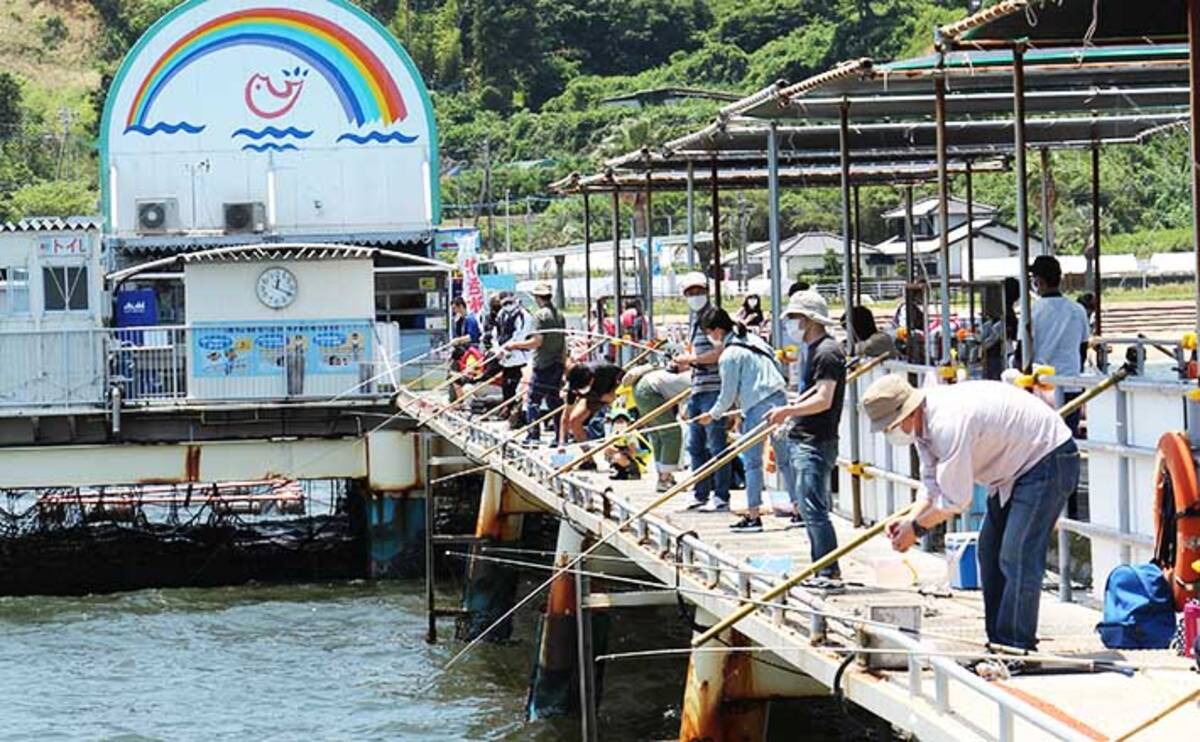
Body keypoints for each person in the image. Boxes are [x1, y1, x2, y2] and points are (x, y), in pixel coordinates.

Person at [863, 374, 1079, 651]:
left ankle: (1017, 645)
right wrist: (909, 519)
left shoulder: (946, 423)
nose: (889, 433)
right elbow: (931, 485)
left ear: (907, 412)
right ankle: (998, 641)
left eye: (890, 427)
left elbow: (955, 500)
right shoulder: (922, 427)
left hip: (1047, 459)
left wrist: (916, 530)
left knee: (1017, 553)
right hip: (1012, 471)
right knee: (988, 551)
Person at [766, 291, 846, 583]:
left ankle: (828, 570)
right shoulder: (810, 350)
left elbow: (824, 399)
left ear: (809, 320)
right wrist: (789, 413)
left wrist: (787, 411)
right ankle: (820, 566)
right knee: (806, 505)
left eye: (794, 318)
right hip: (802, 436)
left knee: (814, 508)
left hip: (816, 439)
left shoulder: (827, 352)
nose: (790, 324)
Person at [695, 308, 787, 533]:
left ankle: (754, 516)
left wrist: (712, 415)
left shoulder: (729, 355)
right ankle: (797, 511)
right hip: (780, 399)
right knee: (786, 461)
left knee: (753, 463)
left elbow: (726, 395)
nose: (710, 338)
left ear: (717, 331)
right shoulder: (754, 340)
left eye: (709, 333)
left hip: (757, 406)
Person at [673, 272, 731, 512]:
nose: (695, 296)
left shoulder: (712, 317)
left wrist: (692, 359)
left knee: (716, 443)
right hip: (697, 389)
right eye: (690, 293)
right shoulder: (694, 319)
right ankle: (700, 493)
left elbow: (721, 351)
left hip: (714, 389)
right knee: (695, 445)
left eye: (699, 291)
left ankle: (721, 496)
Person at [1029, 255, 1090, 435]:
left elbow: (1022, 352)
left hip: (1042, 386)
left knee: (1042, 442)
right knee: (1067, 438)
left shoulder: (1033, 311)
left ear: (1038, 281)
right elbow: (1083, 349)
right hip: (1072, 383)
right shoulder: (1077, 310)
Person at [503, 282, 565, 443]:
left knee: (532, 400)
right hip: (557, 363)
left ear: (538, 297)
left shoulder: (540, 316)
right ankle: (560, 436)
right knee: (554, 401)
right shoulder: (559, 315)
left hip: (543, 364)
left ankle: (533, 436)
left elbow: (537, 341)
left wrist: (514, 345)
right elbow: (563, 342)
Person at [628, 363, 691, 493]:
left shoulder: (680, 376)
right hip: (649, 391)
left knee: (658, 435)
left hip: (640, 389)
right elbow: (685, 414)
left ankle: (663, 476)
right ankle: (664, 479)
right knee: (671, 432)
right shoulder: (693, 381)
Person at [560, 360, 624, 444]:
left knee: (614, 408)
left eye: (583, 387)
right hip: (593, 397)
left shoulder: (604, 369)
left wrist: (615, 396)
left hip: (614, 391)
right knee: (574, 420)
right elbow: (565, 417)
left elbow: (624, 380)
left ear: (591, 380)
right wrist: (561, 443)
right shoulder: (574, 389)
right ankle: (587, 452)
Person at [494, 292, 531, 412]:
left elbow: (520, 335)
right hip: (505, 360)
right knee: (506, 388)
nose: (507, 305)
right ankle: (508, 410)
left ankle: (517, 414)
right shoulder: (501, 314)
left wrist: (506, 349)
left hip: (520, 358)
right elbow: (496, 334)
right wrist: (497, 349)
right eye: (504, 303)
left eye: (509, 302)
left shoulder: (523, 315)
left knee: (518, 388)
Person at [603, 408, 652, 481]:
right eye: (617, 421)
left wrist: (618, 452)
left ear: (628, 423)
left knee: (617, 456)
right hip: (627, 457)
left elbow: (633, 453)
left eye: (622, 421)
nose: (619, 424)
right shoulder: (615, 433)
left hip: (639, 461)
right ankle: (621, 472)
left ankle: (634, 472)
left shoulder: (630, 435)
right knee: (608, 451)